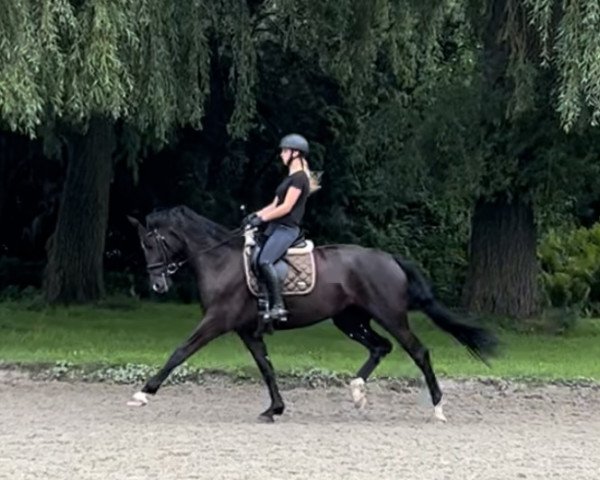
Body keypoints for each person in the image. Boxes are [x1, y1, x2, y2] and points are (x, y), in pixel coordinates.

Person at [244, 133, 320, 322]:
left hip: (287, 229)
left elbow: (286, 208)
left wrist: (262, 220)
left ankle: (278, 306)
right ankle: (263, 301)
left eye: (285, 151)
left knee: (265, 261)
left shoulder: (300, 178)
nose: (281, 154)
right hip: (275, 228)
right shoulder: (289, 178)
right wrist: (256, 215)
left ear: (295, 153)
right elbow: (274, 205)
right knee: (255, 257)